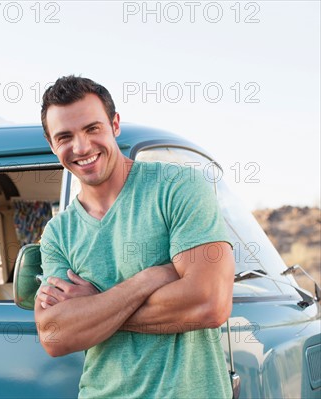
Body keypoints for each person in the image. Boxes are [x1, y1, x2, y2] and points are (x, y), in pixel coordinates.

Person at [35, 75, 235, 398]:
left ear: (115, 124)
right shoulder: (58, 233)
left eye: (92, 129)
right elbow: (55, 334)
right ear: (51, 143)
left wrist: (94, 307)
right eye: (65, 136)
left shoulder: (177, 187)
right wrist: (152, 278)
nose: (81, 147)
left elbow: (210, 302)